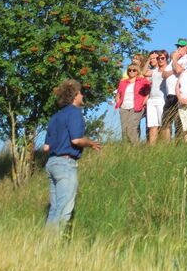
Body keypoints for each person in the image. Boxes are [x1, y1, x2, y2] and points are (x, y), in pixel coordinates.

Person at [43, 79, 101, 230]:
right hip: (65, 164)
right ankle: (54, 247)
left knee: (54, 209)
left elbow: (46, 146)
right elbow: (76, 140)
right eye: (81, 92)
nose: (82, 95)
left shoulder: (55, 117)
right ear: (75, 95)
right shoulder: (74, 113)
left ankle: (45, 247)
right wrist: (91, 143)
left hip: (51, 163)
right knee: (63, 211)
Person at [114, 63, 150, 142]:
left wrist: (143, 103)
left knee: (132, 127)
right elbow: (118, 94)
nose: (131, 72)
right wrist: (118, 102)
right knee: (124, 128)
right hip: (124, 107)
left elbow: (148, 93)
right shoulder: (123, 82)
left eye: (134, 70)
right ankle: (126, 147)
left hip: (136, 107)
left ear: (137, 72)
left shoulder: (142, 81)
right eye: (129, 70)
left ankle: (135, 147)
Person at [145, 50, 168, 144]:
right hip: (152, 99)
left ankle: (166, 146)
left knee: (164, 125)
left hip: (162, 99)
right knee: (152, 125)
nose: (160, 60)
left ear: (166, 58)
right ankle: (152, 147)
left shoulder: (168, 69)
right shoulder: (154, 71)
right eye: (158, 58)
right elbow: (144, 72)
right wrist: (148, 60)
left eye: (162, 58)